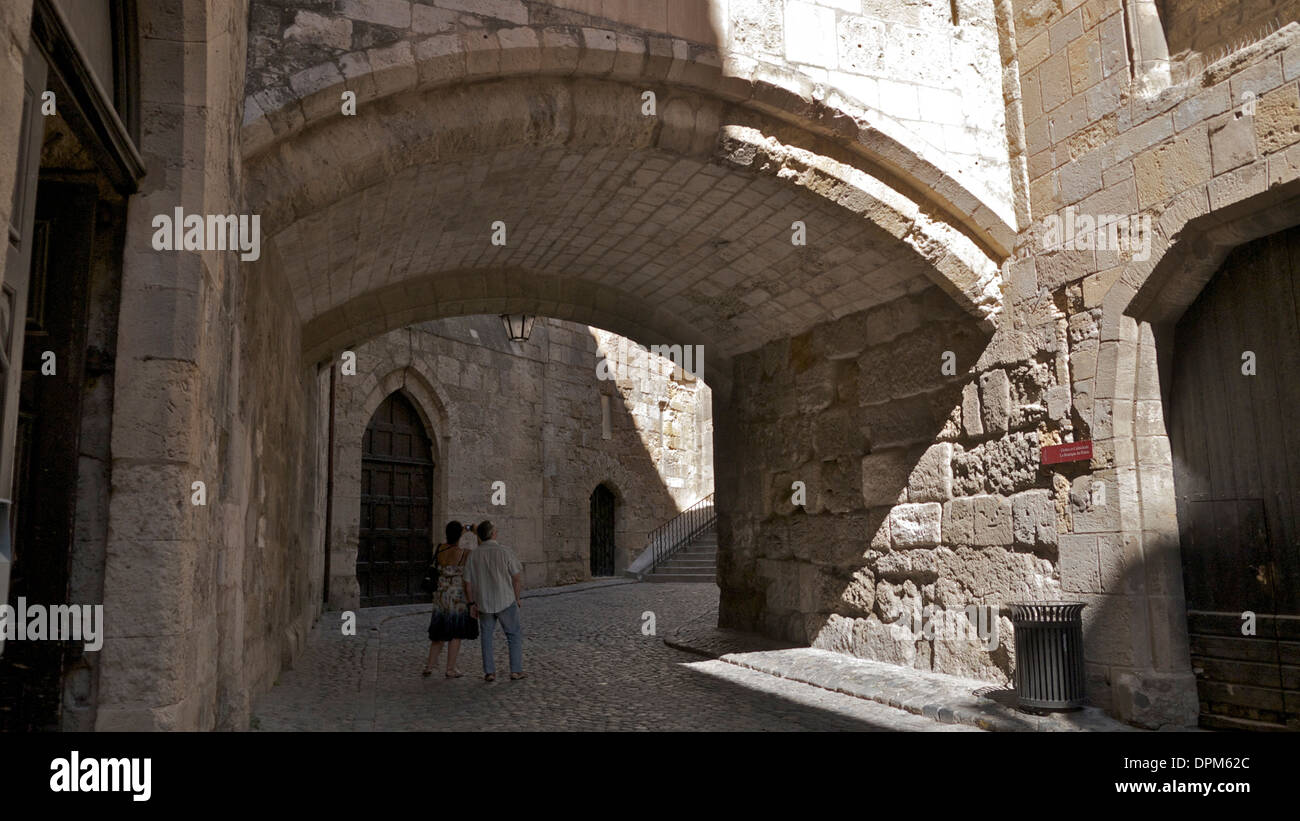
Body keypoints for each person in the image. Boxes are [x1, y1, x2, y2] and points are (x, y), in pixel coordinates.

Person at [464, 520, 525, 682]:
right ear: (493, 534)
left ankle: (489, 672)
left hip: (483, 601)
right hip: (505, 599)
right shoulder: (505, 552)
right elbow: (517, 578)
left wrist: (471, 603)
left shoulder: (474, 555)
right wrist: (517, 598)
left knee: (486, 637)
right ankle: (516, 670)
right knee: (513, 634)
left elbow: (467, 582)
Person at [423, 521, 477, 678]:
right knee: (456, 633)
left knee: (438, 633)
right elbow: (480, 548)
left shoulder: (439, 549)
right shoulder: (465, 553)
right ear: (459, 535)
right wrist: (472, 530)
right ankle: (450, 668)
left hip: (440, 596)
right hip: (457, 597)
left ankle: (429, 665)